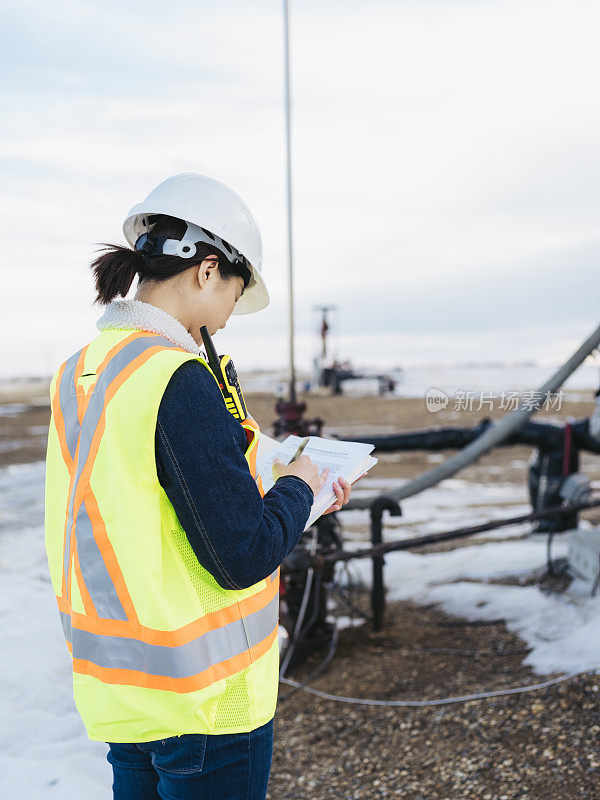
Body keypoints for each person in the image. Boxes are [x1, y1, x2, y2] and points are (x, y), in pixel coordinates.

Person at [44, 173, 352, 800]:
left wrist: (282, 481)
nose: (233, 312)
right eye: (238, 291)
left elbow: (143, 494)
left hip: (123, 694)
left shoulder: (80, 372)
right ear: (207, 271)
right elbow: (241, 552)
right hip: (205, 702)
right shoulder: (177, 376)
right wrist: (299, 489)